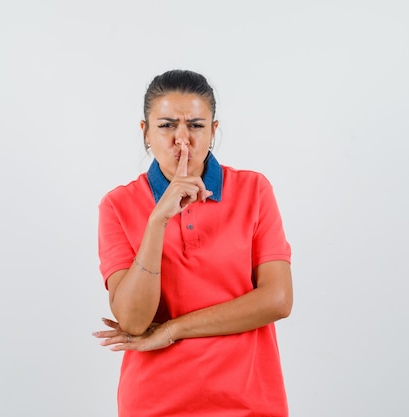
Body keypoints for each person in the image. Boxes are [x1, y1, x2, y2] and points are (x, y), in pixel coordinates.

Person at [93, 69, 293, 416]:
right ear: (146, 133)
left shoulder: (254, 190)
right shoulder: (117, 205)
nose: (182, 140)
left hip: (250, 403)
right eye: (167, 125)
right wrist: (157, 221)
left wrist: (173, 329)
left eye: (196, 126)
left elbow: (277, 300)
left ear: (214, 131)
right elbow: (133, 322)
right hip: (155, 403)